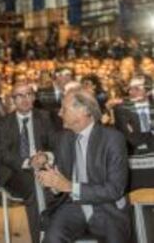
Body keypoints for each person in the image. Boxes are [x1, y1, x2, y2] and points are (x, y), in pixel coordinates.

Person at [37, 90, 130, 243]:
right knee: (51, 238)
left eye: (64, 109)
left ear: (84, 111)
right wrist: (53, 184)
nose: (59, 113)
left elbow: (114, 190)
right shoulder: (64, 138)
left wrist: (69, 187)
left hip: (107, 209)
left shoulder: (113, 139)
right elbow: (61, 182)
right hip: (73, 207)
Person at [0, 81, 56, 243]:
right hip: (15, 173)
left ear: (34, 97)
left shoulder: (44, 117)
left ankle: (55, 234)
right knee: (36, 186)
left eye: (29, 94)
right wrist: (28, 162)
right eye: (20, 96)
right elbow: (2, 154)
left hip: (44, 168)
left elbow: (56, 144)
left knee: (54, 185)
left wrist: (46, 156)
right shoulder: (3, 124)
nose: (25, 99)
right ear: (12, 100)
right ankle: (41, 239)